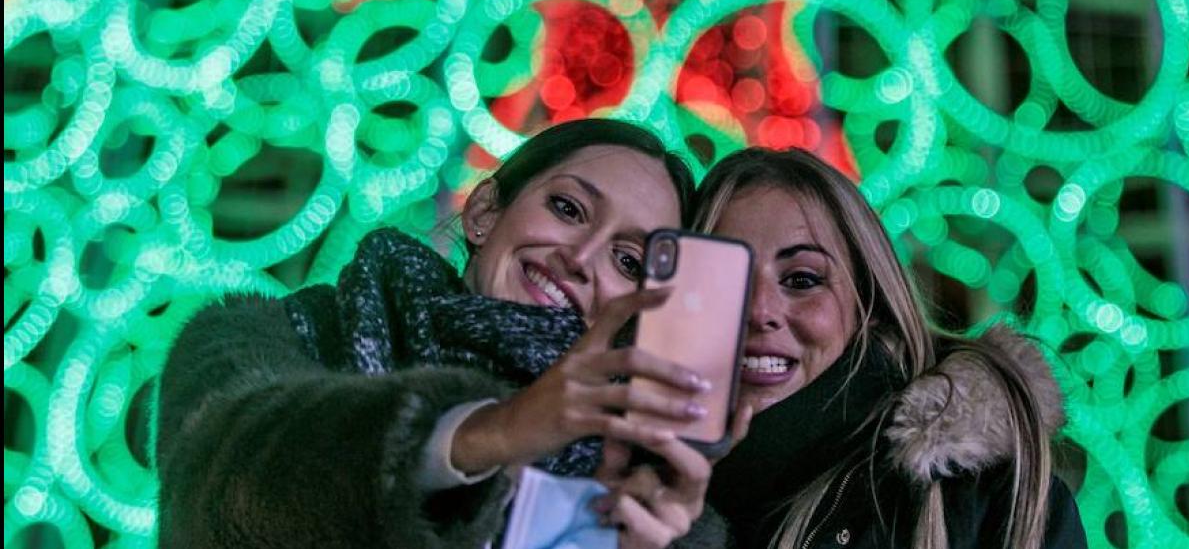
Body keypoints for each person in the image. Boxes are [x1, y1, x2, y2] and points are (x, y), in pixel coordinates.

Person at [156, 119, 718, 549]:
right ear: (483, 213)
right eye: (568, 208)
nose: (581, 257)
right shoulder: (263, 338)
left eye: (627, 260)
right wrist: (492, 431)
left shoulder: (645, 496)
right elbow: (220, 477)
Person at [692, 147, 1087, 549]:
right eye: (724, 279)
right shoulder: (639, 498)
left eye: (802, 280)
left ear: (869, 307)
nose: (759, 311)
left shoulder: (989, 505)